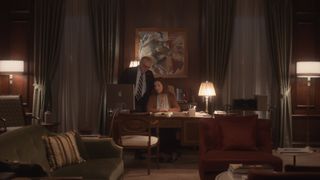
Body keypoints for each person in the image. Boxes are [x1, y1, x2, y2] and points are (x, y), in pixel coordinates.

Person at [147, 78, 181, 162]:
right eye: (155, 86)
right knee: (157, 131)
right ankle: (160, 154)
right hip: (156, 121)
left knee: (171, 131)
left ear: (163, 86)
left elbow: (178, 108)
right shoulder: (152, 96)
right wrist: (159, 110)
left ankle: (169, 153)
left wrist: (168, 110)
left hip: (169, 121)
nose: (156, 87)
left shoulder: (170, 95)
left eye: (158, 85)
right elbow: (148, 109)